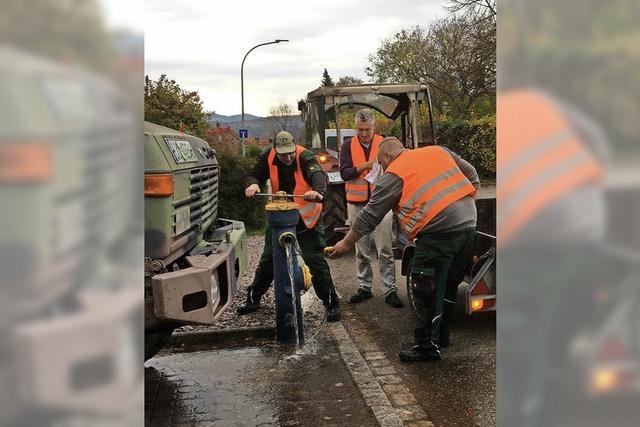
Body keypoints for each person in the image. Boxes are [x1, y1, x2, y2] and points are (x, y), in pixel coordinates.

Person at [329, 137, 480, 361]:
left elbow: (371, 214)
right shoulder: (438, 151)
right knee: (448, 284)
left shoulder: (394, 173)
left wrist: (346, 243)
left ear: (387, 156)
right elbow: (472, 174)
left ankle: (425, 348)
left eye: (382, 163)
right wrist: (467, 205)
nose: (382, 168)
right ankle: (441, 338)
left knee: (424, 289)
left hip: (438, 233)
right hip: (469, 226)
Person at [237, 131, 341, 322]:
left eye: (290, 153)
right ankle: (253, 299)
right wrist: (253, 184)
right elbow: (255, 174)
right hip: (280, 217)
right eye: (283, 154)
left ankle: (331, 303)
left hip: (306, 219)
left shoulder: (305, 156)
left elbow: (317, 174)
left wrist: (316, 191)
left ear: (295, 147)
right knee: (269, 258)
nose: (288, 157)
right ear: (276, 150)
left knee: (315, 260)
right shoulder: (267, 155)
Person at [339, 108, 403, 308]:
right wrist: (363, 167)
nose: (364, 133)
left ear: (374, 126)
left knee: (385, 249)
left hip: (381, 204)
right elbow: (344, 173)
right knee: (361, 249)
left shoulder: (385, 144)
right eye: (360, 130)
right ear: (356, 127)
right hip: (356, 204)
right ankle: (364, 287)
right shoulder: (348, 145)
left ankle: (390, 289)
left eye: (367, 129)